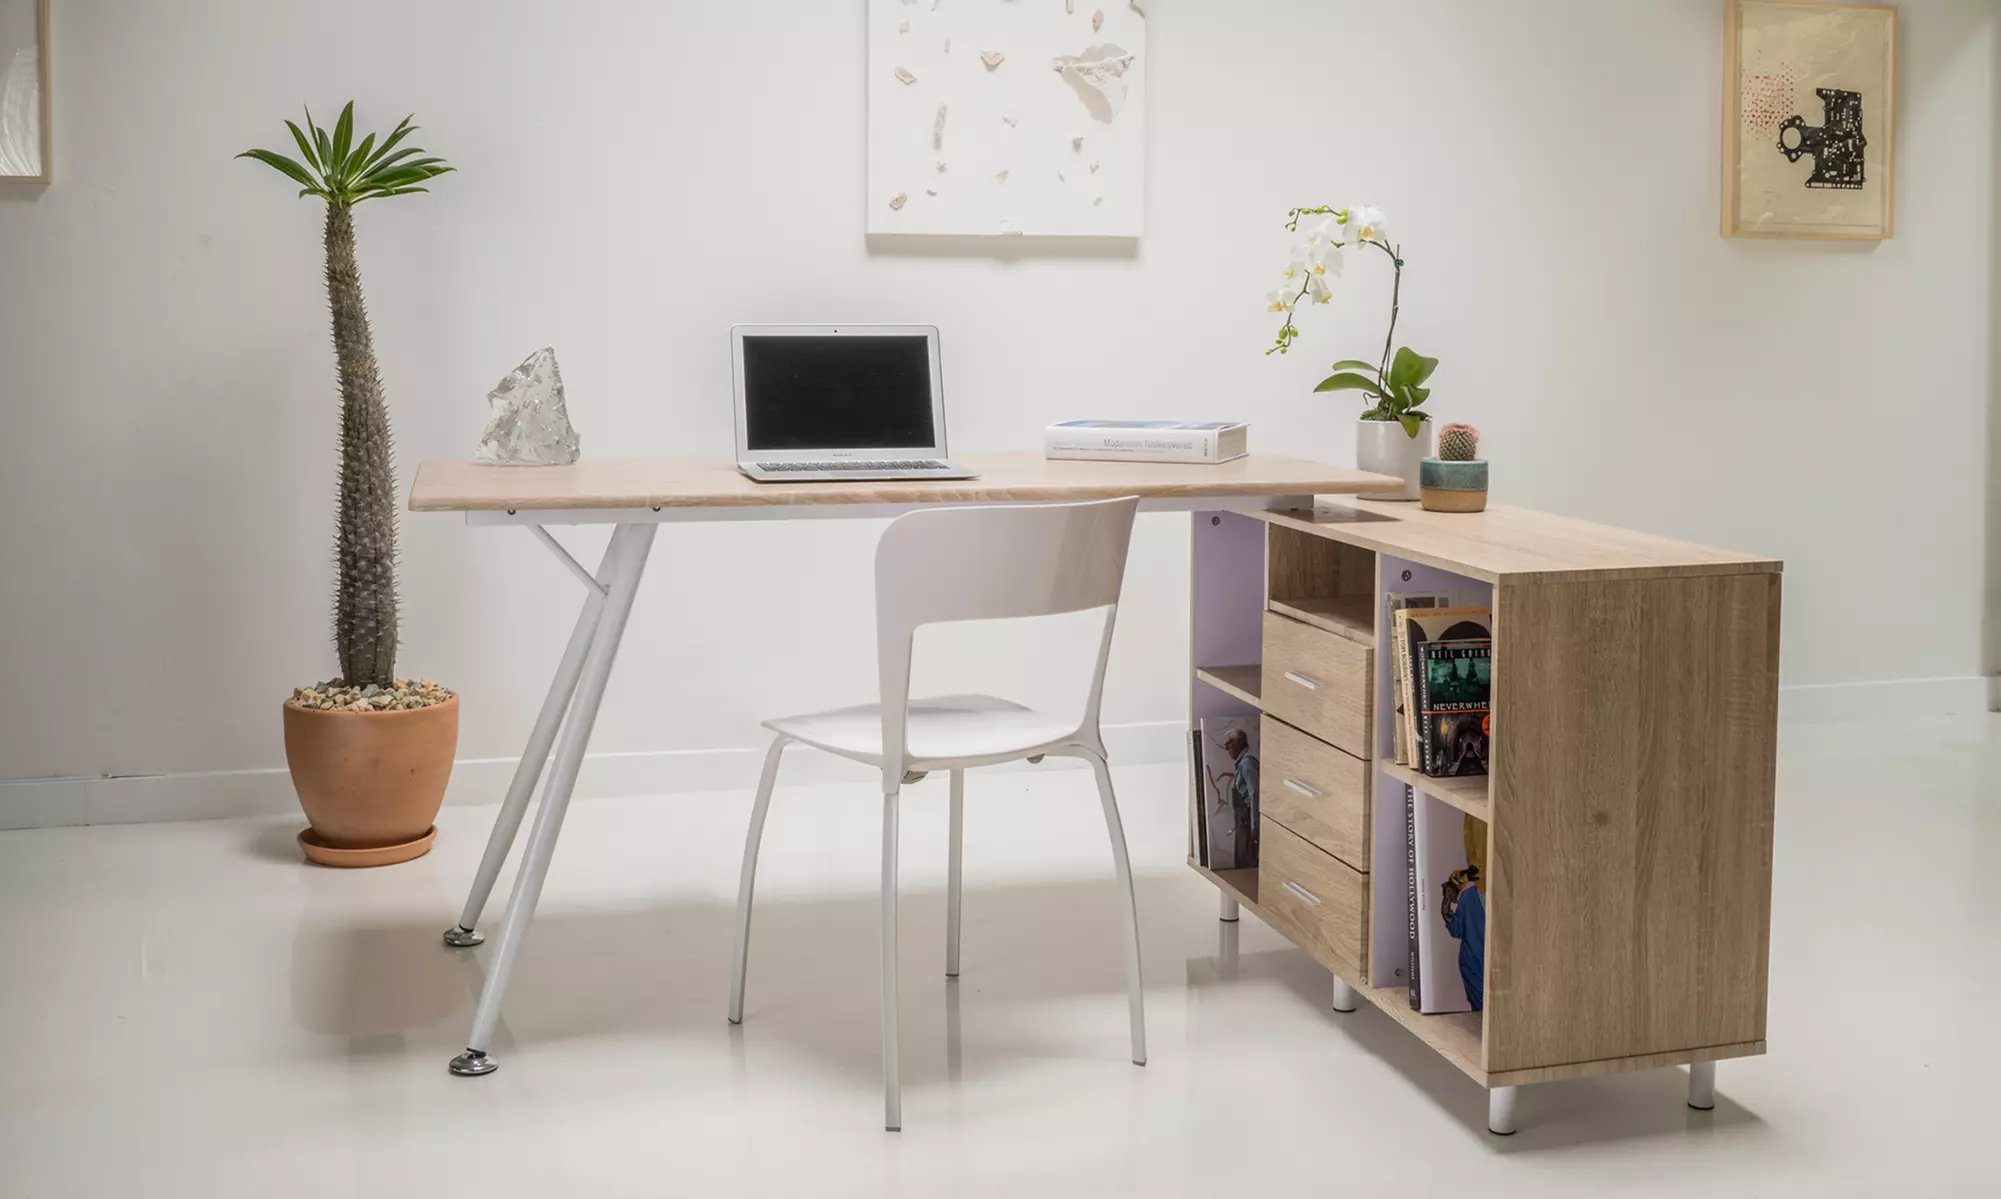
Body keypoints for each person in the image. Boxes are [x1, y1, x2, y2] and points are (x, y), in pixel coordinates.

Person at [1441, 866, 1486, 1011]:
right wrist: (1448, 899)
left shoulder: (1469, 896)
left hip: (1488, 963)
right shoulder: (1468, 896)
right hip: (1474, 964)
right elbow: (1456, 930)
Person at [1223, 727, 1259, 867]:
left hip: (1248, 821)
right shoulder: (1240, 765)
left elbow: (1254, 794)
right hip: (1242, 822)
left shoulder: (1247, 764)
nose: (1227, 749)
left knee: (1248, 859)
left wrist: (1254, 826)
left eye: (1229, 743)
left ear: (1239, 742)